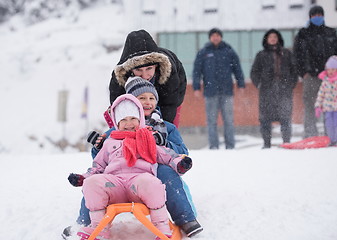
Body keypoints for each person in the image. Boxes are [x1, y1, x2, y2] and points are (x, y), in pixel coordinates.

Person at [70, 77, 203, 239]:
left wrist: (175, 156)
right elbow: (99, 163)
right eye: (142, 98)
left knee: (158, 179)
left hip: (142, 179)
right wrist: (91, 162)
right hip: (115, 182)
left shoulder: (158, 130)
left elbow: (171, 154)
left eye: (151, 98)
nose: (147, 102)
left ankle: (173, 223)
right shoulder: (112, 136)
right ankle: (93, 225)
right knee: (92, 183)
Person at [109, 29, 187, 127]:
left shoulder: (168, 72)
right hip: (137, 97)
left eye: (149, 68)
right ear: (130, 69)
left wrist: (164, 131)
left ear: (156, 66)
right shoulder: (120, 77)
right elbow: (118, 110)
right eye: (139, 70)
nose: (145, 76)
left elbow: (169, 105)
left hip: (171, 94)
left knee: (168, 129)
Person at [192, 27, 245, 149]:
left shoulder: (229, 51)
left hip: (227, 91)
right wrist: (196, 87)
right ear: (210, 38)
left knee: (229, 120)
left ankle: (230, 146)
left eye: (217, 35)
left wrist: (240, 83)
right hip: (210, 92)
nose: (215, 37)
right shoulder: (204, 52)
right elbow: (196, 71)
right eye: (213, 36)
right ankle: (213, 146)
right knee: (211, 121)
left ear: (221, 37)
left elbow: (237, 68)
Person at [293, 5, 337, 138]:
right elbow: (297, 56)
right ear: (310, 17)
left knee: (330, 106)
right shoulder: (303, 34)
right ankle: (311, 135)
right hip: (310, 76)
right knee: (310, 106)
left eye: (320, 15)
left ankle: (331, 134)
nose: (317, 17)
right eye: (314, 15)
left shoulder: (331, 33)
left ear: (323, 16)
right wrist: (303, 73)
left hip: (330, 77)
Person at [250, 29, 298, 148]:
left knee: (285, 117)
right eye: (270, 37)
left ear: (279, 39)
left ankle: (286, 142)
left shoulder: (286, 53)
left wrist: (290, 84)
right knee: (265, 118)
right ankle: (267, 143)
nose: (273, 39)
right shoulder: (261, 55)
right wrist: (259, 84)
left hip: (284, 90)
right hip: (266, 91)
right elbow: (254, 72)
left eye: (275, 37)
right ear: (266, 39)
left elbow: (294, 70)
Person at [315, 56, 337, 146]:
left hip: (336, 108)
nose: (330, 71)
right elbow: (321, 94)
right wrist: (317, 106)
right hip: (327, 108)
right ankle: (332, 140)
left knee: (336, 124)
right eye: (329, 69)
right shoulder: (325, 81)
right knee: (329, 124)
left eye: (333, 69)